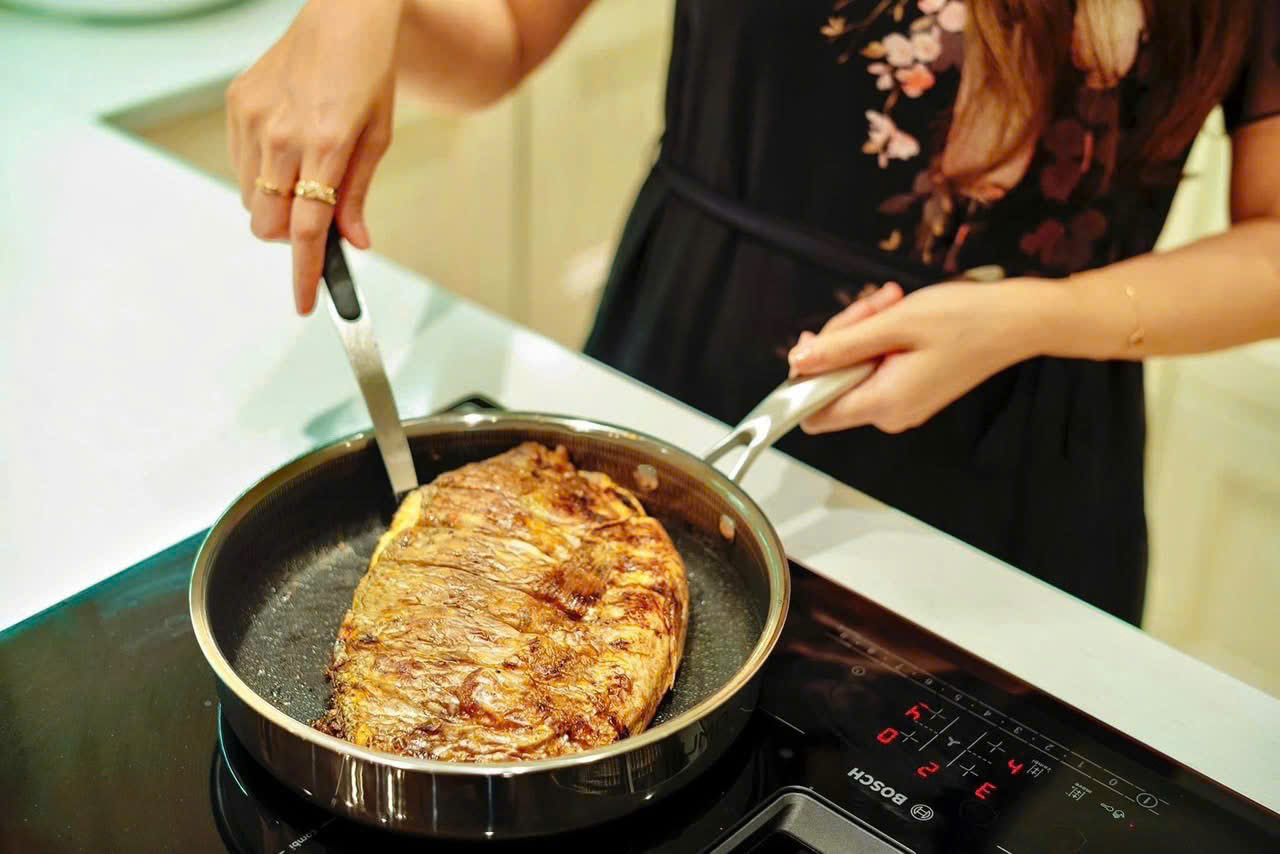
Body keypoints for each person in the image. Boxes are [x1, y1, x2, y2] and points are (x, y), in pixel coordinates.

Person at [225, 0, 1280, 626]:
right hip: (683, 365)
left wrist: (1029, 317)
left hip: (1024, 450)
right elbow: (498, 37)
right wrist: (355, 12)